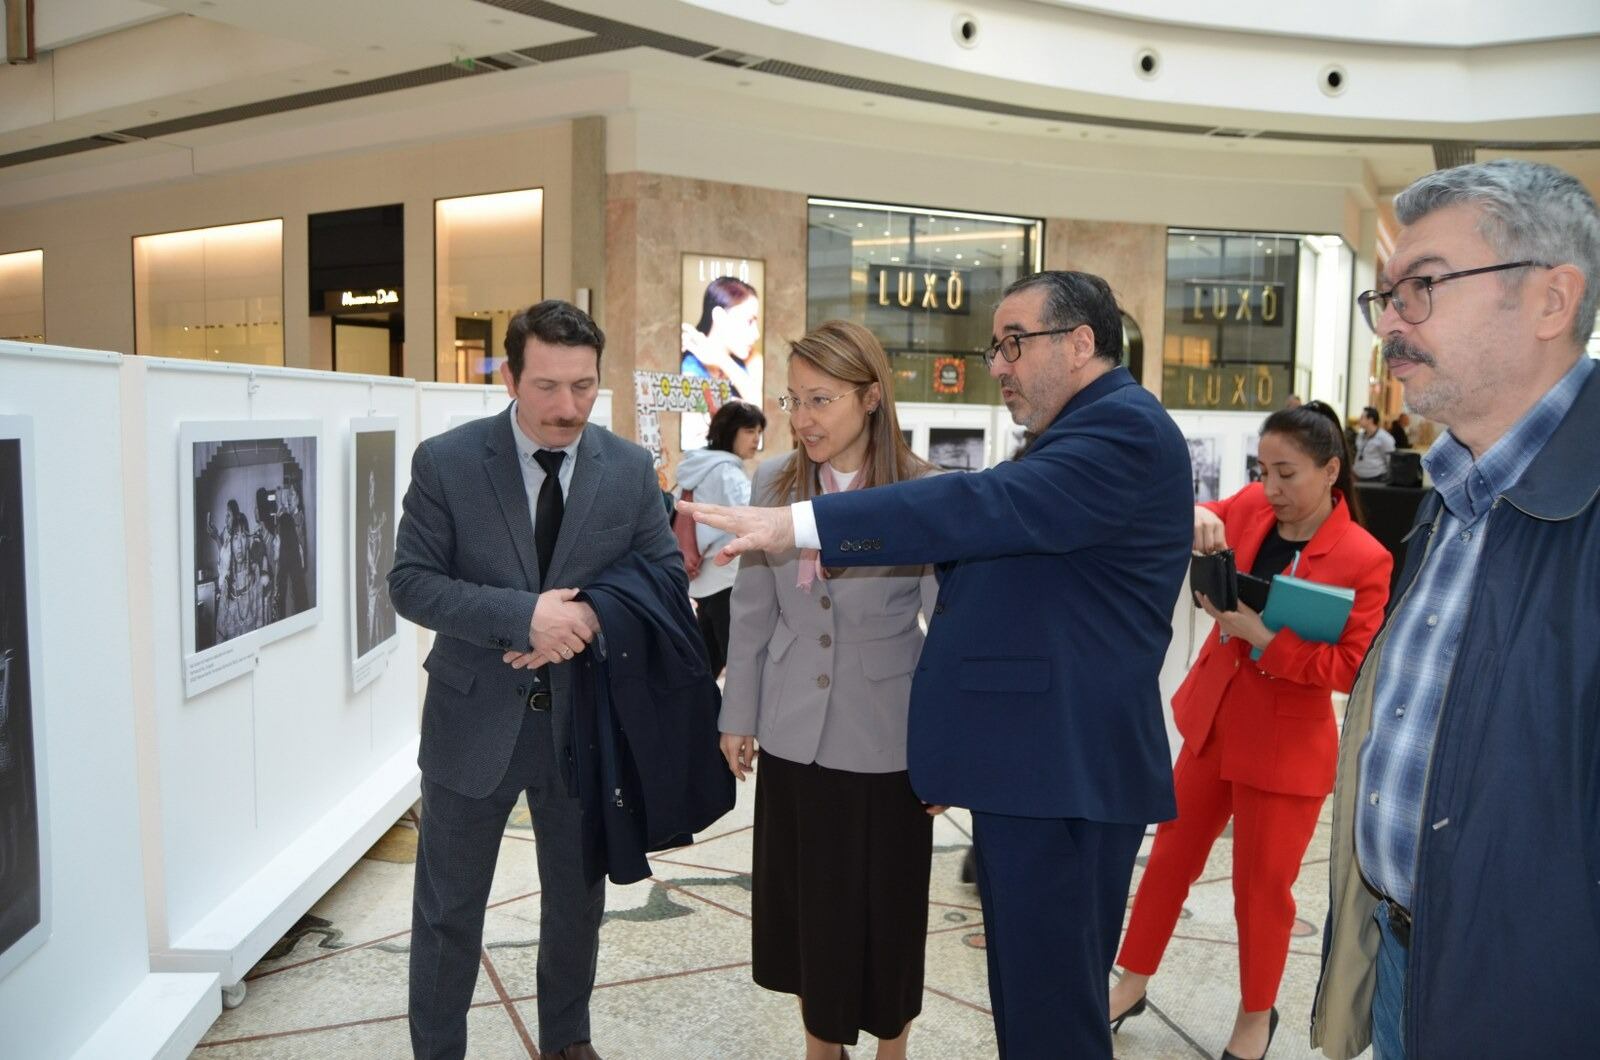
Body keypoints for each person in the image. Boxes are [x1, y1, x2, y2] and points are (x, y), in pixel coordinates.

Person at [683, 271, 1194, 1058]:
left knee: (1051, 1009)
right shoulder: (1082, 435)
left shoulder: (1119, 430)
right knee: (1032, 999)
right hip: (1032, 766)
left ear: (1081, 342)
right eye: (997, 347)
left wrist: (807, 524)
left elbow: (977, 510)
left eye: (1013, 344)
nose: (998, 364)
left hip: (1062, 768)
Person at [1313, 159, 1600, 1058]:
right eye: (1387, 295)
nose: (1392, 321)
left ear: (1553, 300)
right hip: (1413, 962)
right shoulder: (1452, 493)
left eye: (1424, 287)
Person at [390, 300, 680, 1060]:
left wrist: (579, 620)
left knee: (577, 903)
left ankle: (566, 1039)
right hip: (470, 722)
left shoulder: (625, 468)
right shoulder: (447, 462)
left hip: (583, 726)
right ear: (511, 377)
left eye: (583, 387)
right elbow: (411, 584)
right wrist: (523, 618)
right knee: (449, 910)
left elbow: (665, 576)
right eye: (547, 387)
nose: (567, 407)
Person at [1109, 401, 1391, 1060]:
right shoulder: (1254, 510)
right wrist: (1197, 515)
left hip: (1286, 747)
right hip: (1215, 723)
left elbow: (1353, 668)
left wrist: (1267, 639)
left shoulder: (1364, 557)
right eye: (1262, 471)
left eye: (1287, 473)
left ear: (1331, 471)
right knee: (1168, 861)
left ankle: (1256, 1015)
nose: (1271, 489)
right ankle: (1131, 980)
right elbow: (1185, 513)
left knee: (1261, 892)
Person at [719, 320, 939, 1060]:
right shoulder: (774, 482)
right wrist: (737, 713)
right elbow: (752, 613)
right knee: (808, 909)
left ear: (870, 397)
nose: (803, 418)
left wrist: (946, 748)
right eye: (793, 401)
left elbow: (948, 630)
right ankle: (820, 1046)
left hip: (887, 737)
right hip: (792, 730)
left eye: (821, 399)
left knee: (888, 909)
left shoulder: (922, 489)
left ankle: (891, 1044)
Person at [675, 399, 765, 676]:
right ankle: (736, 719)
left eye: (759, 432)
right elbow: (752, 520)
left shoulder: (695, 467)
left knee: (705, 664)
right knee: (739, 664)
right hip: (726, 579)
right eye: (750, 431)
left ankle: (697, 718)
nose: (756, 439)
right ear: (730, 431)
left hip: (702, 579)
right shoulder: (727, 472)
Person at [681, 276, 762, 401]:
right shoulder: (689, 369)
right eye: (749, 321)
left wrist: (722, 360)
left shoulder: (752, 359)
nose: (756, 334)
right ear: (720, 317)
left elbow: (764, 409)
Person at [1352, 406, 1395, 481]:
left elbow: (1390, 460)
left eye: (1362, 417)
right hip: (1358, 477)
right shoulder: (1360, 436)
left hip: (1375, 479)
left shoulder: (1384, 438)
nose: (1359, 420)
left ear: (1370, 420)